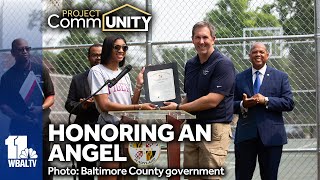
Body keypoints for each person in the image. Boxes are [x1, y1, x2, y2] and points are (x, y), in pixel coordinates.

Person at [161, 21, 235, 179]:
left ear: (213, 39)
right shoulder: (190, 64)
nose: (201, 41)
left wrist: (179, 108)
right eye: (197, 37)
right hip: (193, 128)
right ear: (192, 39)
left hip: (214, 128)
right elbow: (189, 96)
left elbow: (212, 100)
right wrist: (176, 117)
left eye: (205, 37)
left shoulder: (223, 64)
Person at [88, 35, 156, 180]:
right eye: (117, 47)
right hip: (109, 127)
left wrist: (138, 85)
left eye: (124, 47)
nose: (121, 50)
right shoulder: (97, 71)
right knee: (110, 172)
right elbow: (104, 105)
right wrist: (139, 107)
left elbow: (130, 104)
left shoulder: (123, 74)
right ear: (107, 49)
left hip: (127, 128)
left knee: (129, 174)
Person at [233, 42, 294, 180]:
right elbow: (230, 105)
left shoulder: (280, 77)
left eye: (261, 52)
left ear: (267, 55)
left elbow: (289, 103)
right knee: (242, 176)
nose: (258, 54)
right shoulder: (239, 78)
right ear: (249, 56)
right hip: (245, 135)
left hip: (271, 137)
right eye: (254, 52)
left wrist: (266, 100)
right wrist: (243, 104)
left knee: (270, 177)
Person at [0, 38, 55, 180]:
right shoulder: (7, 77)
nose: (25, 52)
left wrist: (40, 108)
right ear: (13, 53)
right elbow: (3, 105)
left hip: (41, 126)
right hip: (18, 127)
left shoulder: (41, 69)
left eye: (27, 48)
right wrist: (19, 117)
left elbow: (51, 96)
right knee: (19, 168)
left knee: (44, 167)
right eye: (20, 49)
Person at [65, 43, 102, 180]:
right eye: (94, 55)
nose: (98, 58)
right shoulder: (78, 79)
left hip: (107, 129)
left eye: (101, 55)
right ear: (88, 57)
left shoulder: (113, 78)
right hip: (84, 130)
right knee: (86, 173)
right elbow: (69, 104)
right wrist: (83, 106)